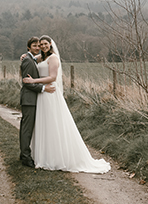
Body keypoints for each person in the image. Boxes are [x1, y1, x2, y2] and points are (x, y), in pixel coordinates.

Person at [22, 35, 110, 173]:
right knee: (43, 124)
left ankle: (56, 157)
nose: (42, 46)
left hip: (50, 92)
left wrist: (34, 81)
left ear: (50, 44)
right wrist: (23, 56)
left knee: (53, 123)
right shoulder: (41, 58)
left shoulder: (53, 58)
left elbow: (52, 77)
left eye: (45, 44)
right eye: (40, 44)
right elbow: (31, 58)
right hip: (42, 94)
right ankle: (43, 155)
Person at [20, 36, 55, 168]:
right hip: (29, 99)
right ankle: (25, 157)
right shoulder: (28, 60)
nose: (38, 48)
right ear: (28, 47)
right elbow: (27, 82)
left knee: (28, 128)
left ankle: (24, 154)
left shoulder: (33, 59)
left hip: (34, 99)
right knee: (27, 129)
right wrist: (43, 88)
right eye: (34, 46)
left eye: (38, 45)